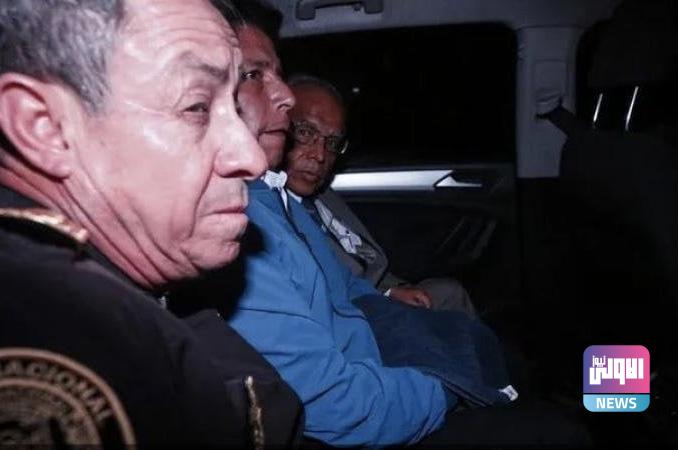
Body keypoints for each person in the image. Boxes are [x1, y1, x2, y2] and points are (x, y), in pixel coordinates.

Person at [0, 0, 301, 446]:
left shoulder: (125, 285)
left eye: (234, 108)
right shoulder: (61, 332)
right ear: (43, 126)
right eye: (197, 107)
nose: (252, 158)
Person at [227, 3, 521, 446]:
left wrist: (384, 298)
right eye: (254, 74)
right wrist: (449, 387)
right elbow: (337, 405)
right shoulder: (235, 224)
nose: (282, 94)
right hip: (373, 400)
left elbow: (340, 284)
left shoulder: (278, 198)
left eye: (332, 143)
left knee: (494, 350)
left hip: (378, 361)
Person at [283, 77, 476, 314]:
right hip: (347, 311)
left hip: (373, 291)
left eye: (332, 143)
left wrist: (393, 289)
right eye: (305, 132)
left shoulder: (322, 195)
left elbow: (364, 260)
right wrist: (384, 295)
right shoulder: (271, 206)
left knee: (449, 292)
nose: (320, 155)